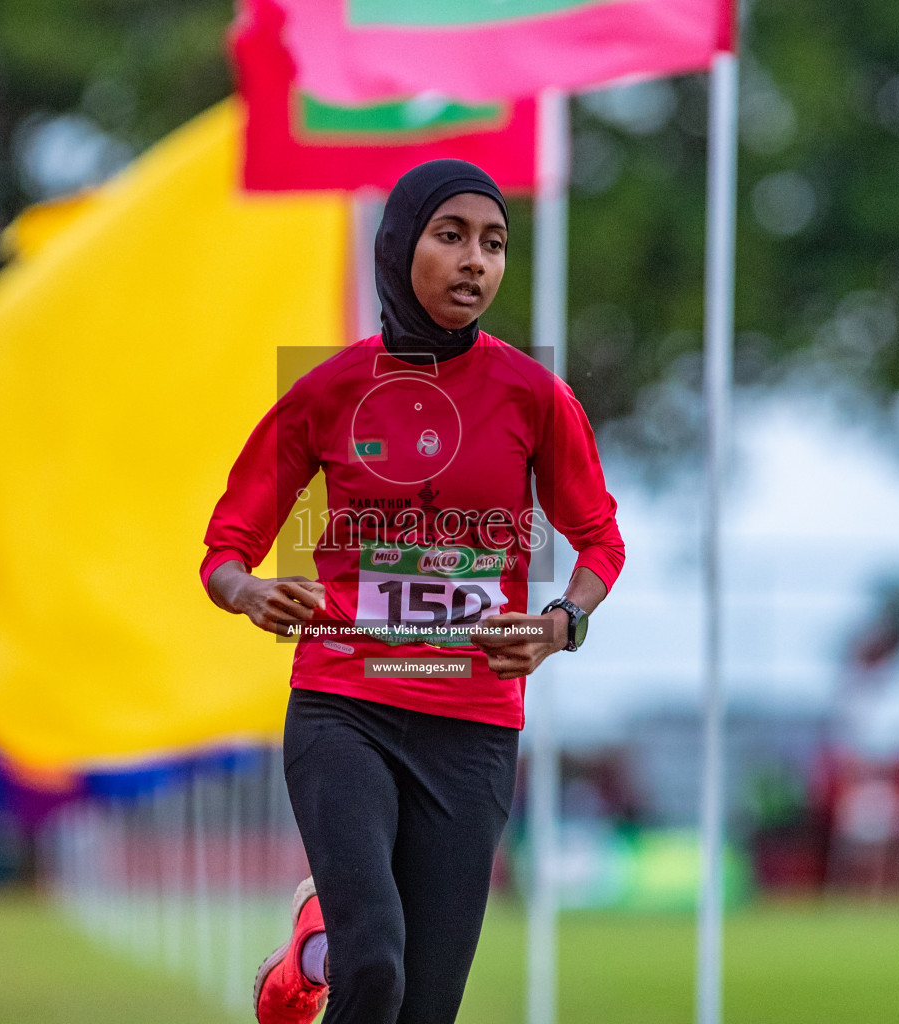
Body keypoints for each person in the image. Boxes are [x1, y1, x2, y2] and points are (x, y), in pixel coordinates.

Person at [200, 159, 625, 1024]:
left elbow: (601, 542)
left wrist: (559, 624)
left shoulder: (534, 396)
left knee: (425, 1006)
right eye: (452, 235)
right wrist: (249, 592)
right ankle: (327, 951)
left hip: (473, 728)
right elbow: (225, 548)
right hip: (343, 705)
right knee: (378, 968)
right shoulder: (328, 391)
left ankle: (310, 951)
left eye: (495, 243)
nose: (477, 261)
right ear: (398, 247)